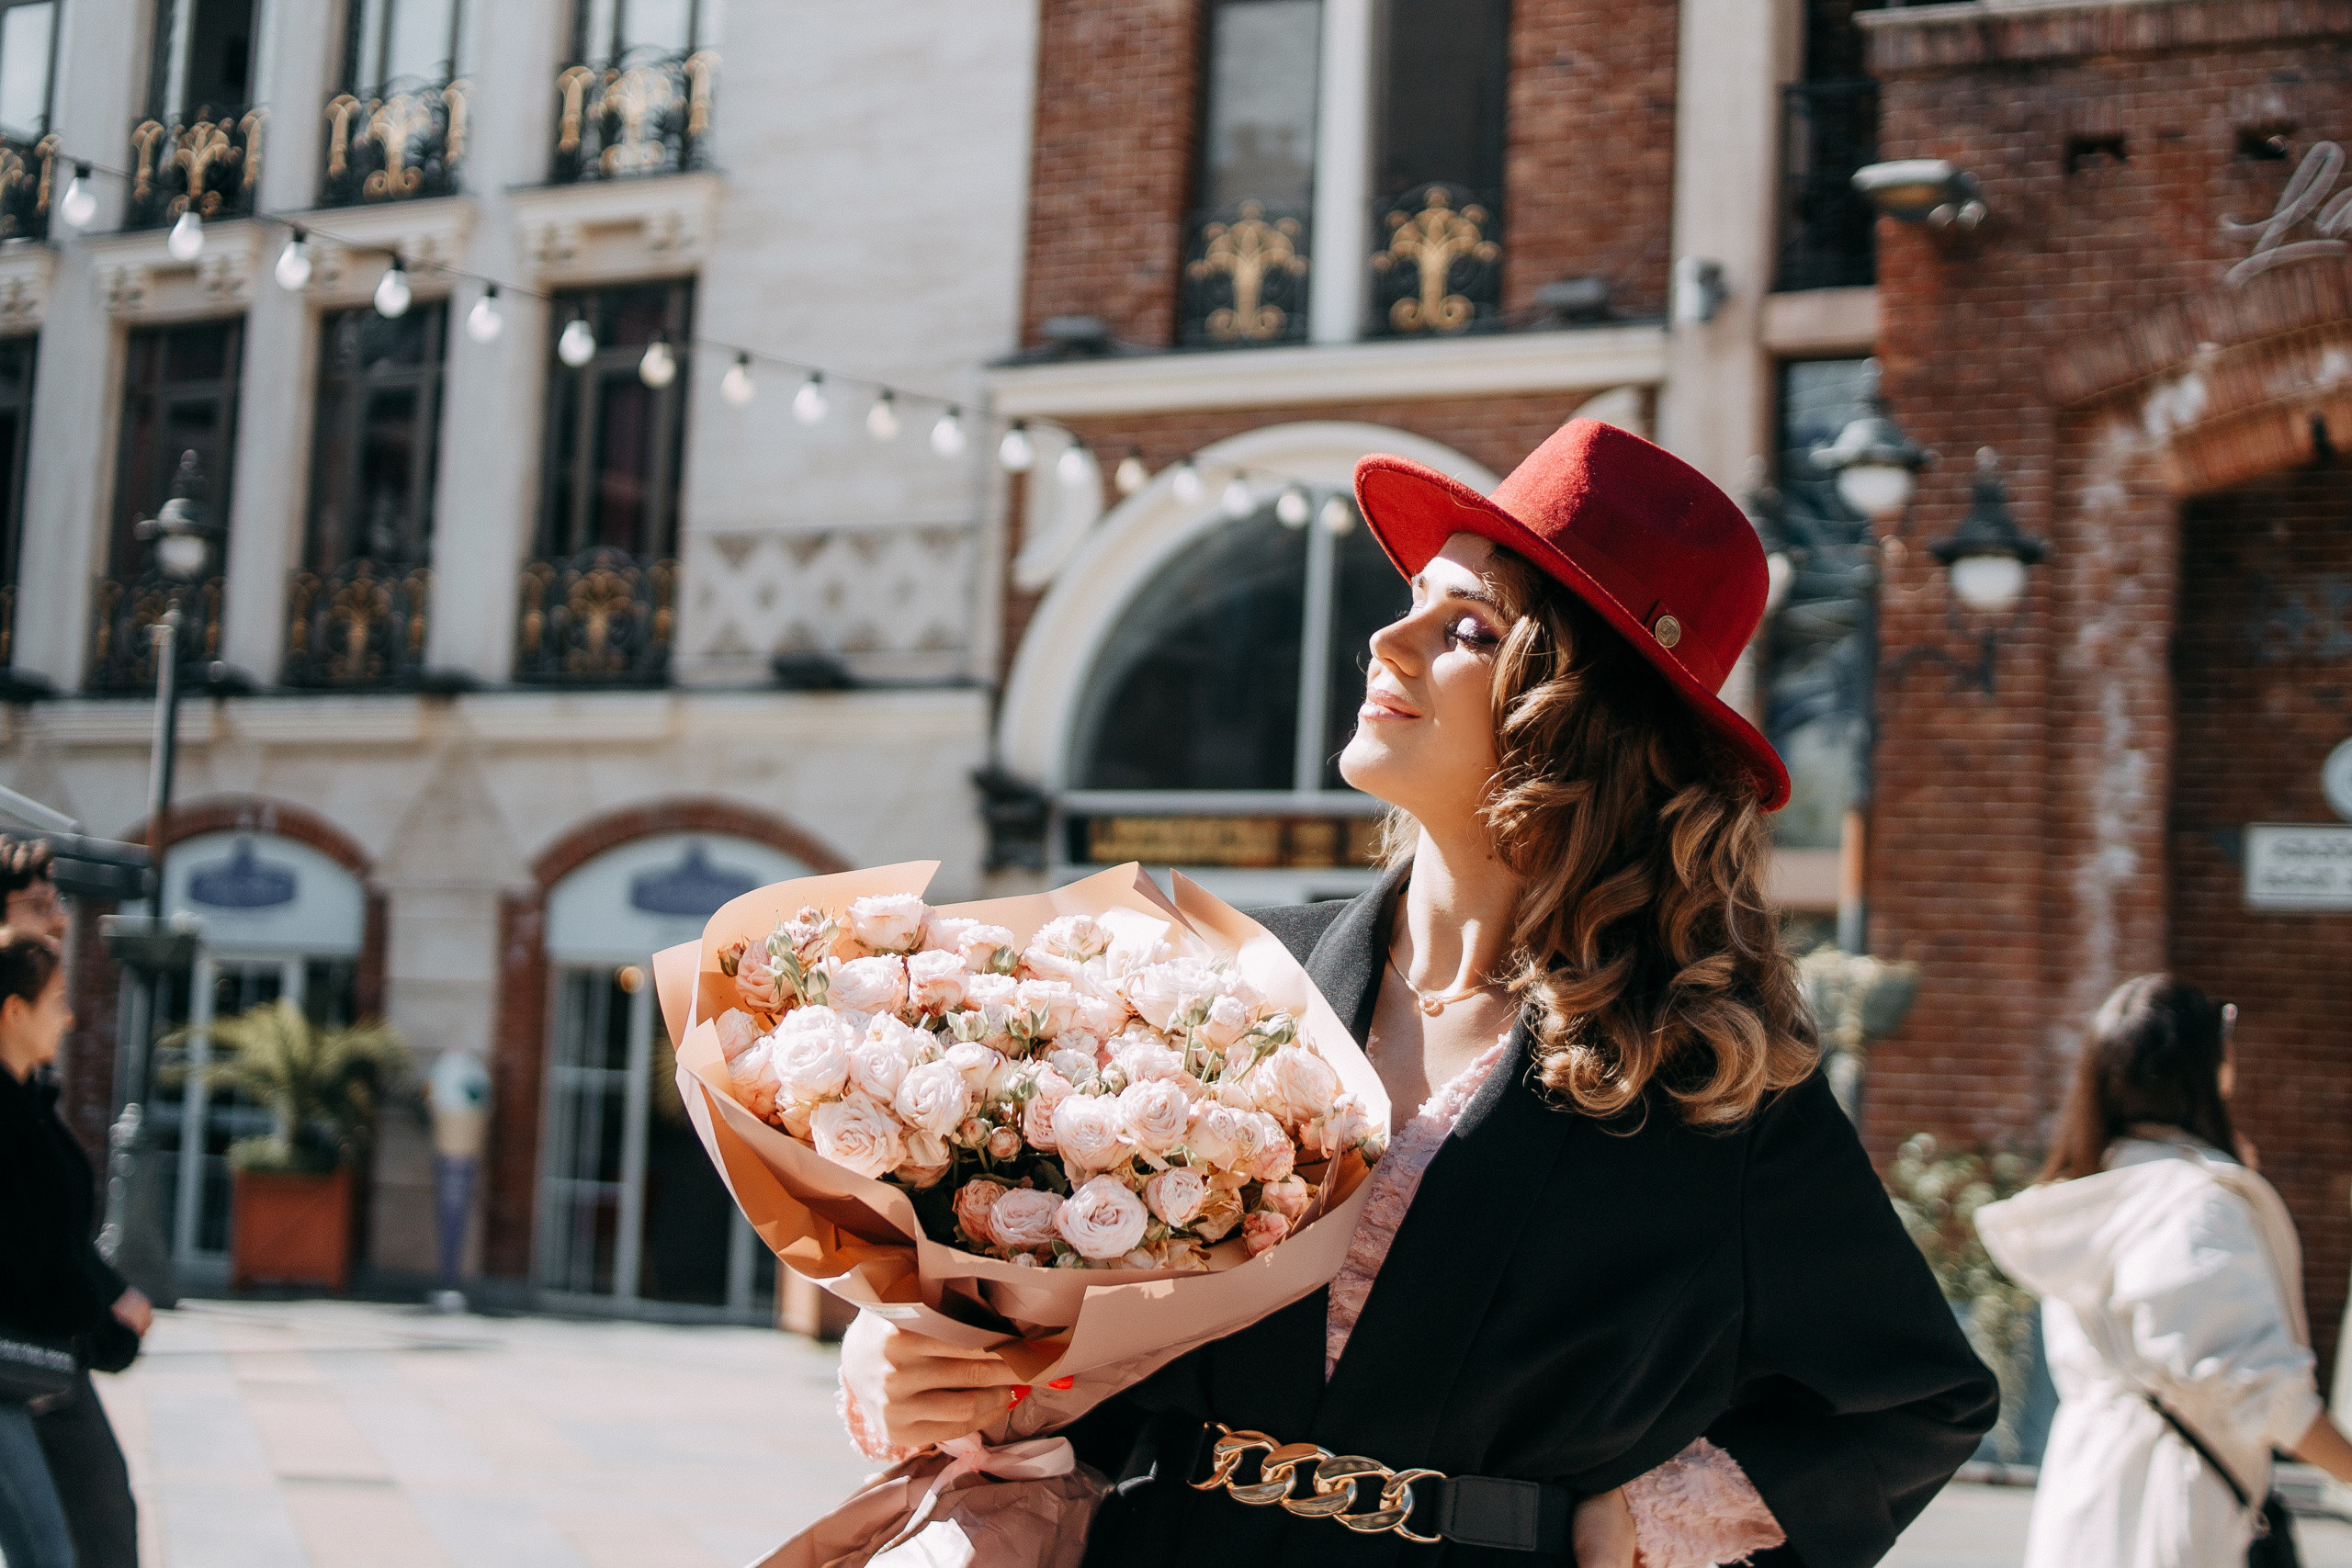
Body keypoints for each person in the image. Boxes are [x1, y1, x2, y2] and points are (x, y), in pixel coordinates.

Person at [839, 421, 1998, 1566]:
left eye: (1466, 627)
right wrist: (916, 1363)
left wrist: (1635, 1523)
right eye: (1410, 603)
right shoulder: (1224, 981)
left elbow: (1909, 1401)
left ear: (1583, 720)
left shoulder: (1698, 1074)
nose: (1386, 640)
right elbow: (1033, 1306)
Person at [1977, 975, 2352, 1568]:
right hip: (2172, 1510)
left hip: (2085, 1502)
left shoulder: (2099, 1192)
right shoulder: (2190, 1203)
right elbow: (2260, 1388)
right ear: (2202, 1066)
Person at [0, 880, 147, 1568]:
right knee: (59, 1547)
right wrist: (106, 1304)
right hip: (18, 1349)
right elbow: (29, 1243)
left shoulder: (30, 1093)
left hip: (36, 1351)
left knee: (88, 1529)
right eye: (38, 904)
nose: (59, 916)